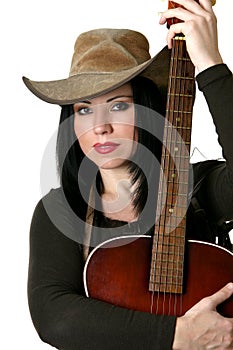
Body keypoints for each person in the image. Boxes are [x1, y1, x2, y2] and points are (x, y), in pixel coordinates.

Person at [24, 0, 233, 348]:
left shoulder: (196, 190)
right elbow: (55, 318)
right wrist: (177, 336)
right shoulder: (60, 211)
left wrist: (210, 64)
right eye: (84, 109)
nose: (101, 126)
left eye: (119, 105)